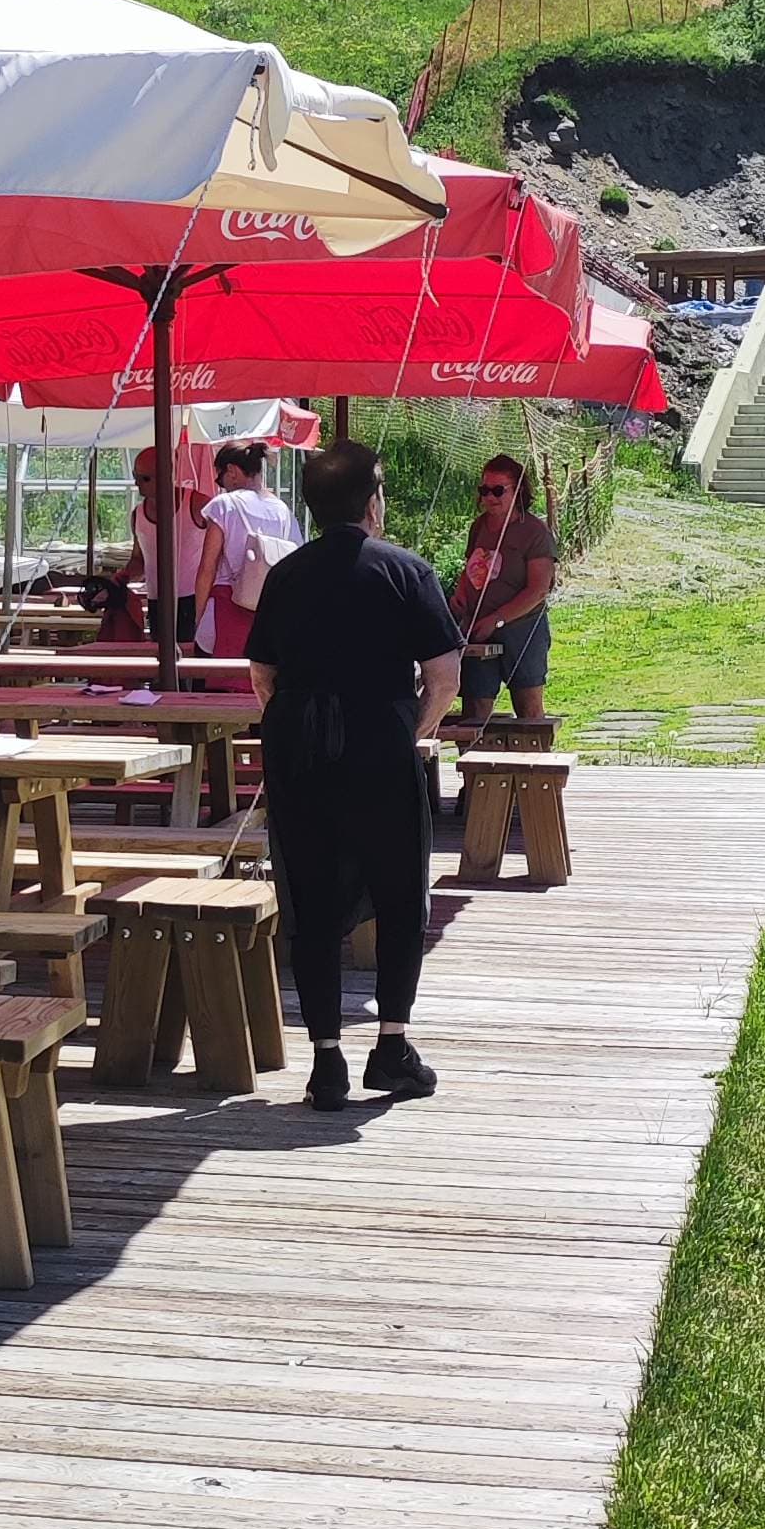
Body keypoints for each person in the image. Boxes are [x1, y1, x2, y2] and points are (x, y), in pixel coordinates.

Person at [245, 437, 463, 1110]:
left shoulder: (286, 575)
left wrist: (296, 732)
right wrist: (412, 731)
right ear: (373, 502)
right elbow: (444, 676)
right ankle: (392, 1046)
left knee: (309, 903)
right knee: (400, 897)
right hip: (379, 745)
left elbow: (263, 678)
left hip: (299, 748)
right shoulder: (406, 570)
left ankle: (325, 1061)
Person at [449, 452, 560, 728]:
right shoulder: (479, 527)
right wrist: (461, 593)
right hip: (478, 627)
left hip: (522, 628)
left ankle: (533, 768)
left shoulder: (534, 532)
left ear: (518, 492)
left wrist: (497, 619)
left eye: (498, 490)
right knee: (475, 708)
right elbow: (472, 565)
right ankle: (478, 768)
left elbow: (538, 590)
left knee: (528, 708)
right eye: (484, 490)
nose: (490, 497)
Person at [198, 441, 297, 658]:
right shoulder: (282, 510)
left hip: (228, 603)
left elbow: (208, 567)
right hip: (269, 608)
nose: (220, 484)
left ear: (232, 471)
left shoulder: (223, 505)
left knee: (220, 680)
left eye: (220, 477)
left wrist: (196, 617)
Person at [118, 446, 208, 652]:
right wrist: (121, 578)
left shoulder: (197, 505)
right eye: (136, 477)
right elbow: (139, 560)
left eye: (145, 478)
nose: (137, 484)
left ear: (166, 474)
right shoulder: (138, 514)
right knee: (160, 658)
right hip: (157, 601)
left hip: (193, 600)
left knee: (194, 664)